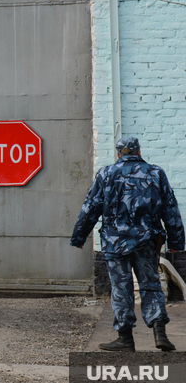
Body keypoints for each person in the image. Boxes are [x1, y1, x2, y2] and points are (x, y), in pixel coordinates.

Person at [71, 136, 185, 352]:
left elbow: (90, 208)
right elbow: (170, 209)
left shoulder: (106, 174)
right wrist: (177, 243)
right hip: (147, 241)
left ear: (118, 153)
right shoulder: (156, 173)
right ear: (138, 151)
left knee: (120, 288)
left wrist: (79, 237)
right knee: (151, 285)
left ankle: (125, 339)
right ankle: (160, 333)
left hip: (116, 243)